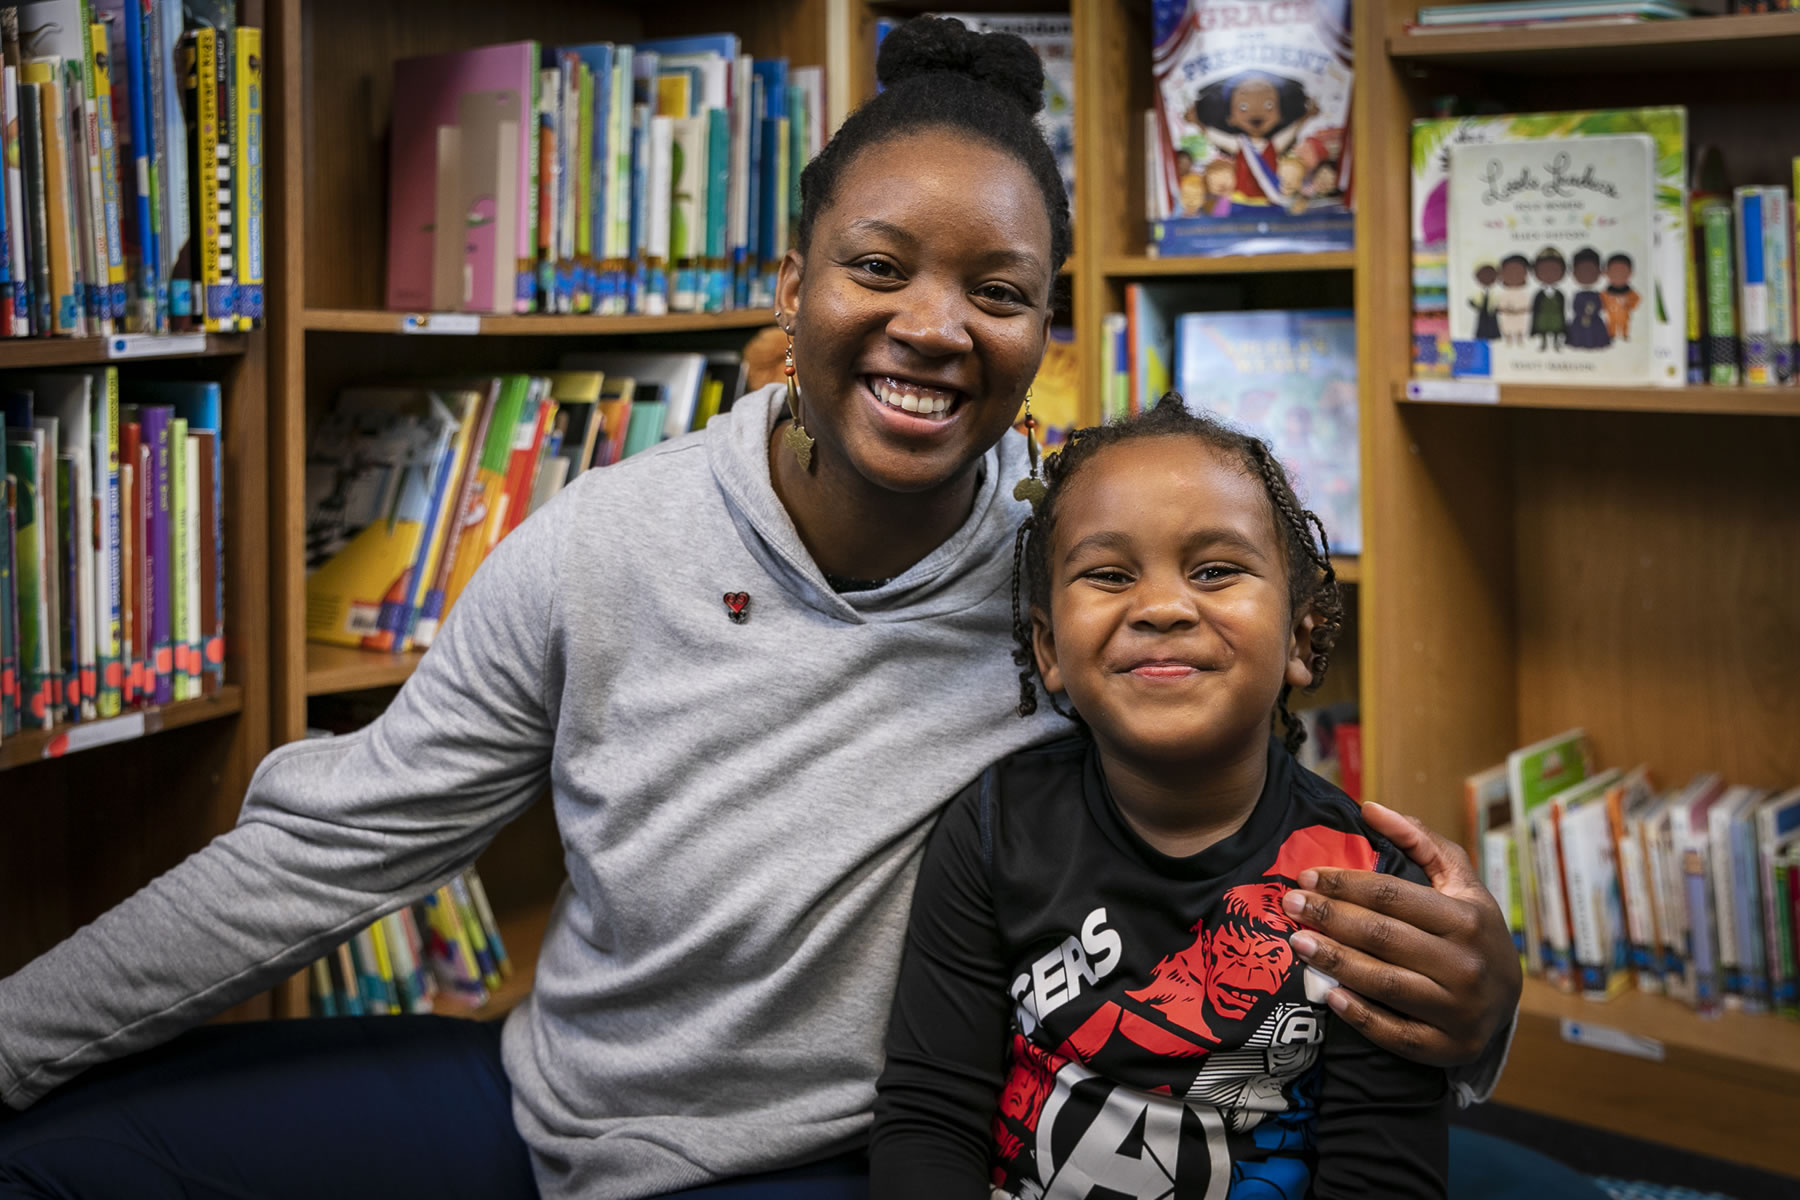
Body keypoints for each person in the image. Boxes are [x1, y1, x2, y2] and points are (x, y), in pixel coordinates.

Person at [0, 18, 1520, 1200]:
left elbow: (1242, 866)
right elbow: (326, 855)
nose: (934, 324)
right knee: (58, 1153)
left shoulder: (1074, 591)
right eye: (877, 267)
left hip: (837, 1157)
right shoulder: (602, 542)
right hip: (545, 1109)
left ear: (1046, 333)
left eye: (998, 291)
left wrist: (1475, 1010)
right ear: (789, 286)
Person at [869, 397, 1447, 1198]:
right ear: (1048, 649)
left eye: (1215, 570)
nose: (1164, 607)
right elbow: (931, 1118)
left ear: (1302, 637)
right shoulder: (995, 827)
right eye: (1109, 575)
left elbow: (1383, 1177)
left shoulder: (1367, 881)